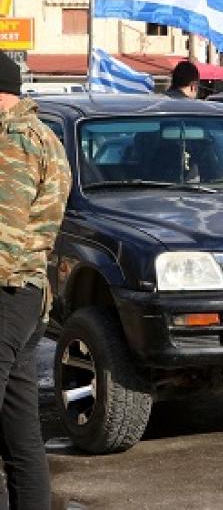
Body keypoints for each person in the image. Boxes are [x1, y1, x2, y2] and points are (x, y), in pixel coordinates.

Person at [0, 51, 73, 506]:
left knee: (20, 437)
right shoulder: (43, 136)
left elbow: (3, 231)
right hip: (28, 295)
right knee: (19, 435)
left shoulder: (12, 142)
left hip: (6, 293)